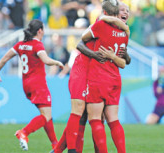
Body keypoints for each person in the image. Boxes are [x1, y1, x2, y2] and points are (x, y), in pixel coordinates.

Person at [51, 1, 130, 153]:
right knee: (81, 112)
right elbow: (80, 44)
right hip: (83, 70)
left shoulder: (120, 31)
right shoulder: (102, 23)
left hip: (98, 75)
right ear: (112, 13)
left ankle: (60, 150)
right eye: (122, 10)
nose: (125, 13)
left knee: (94, 118)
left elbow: (126, 60)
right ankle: (67, 150)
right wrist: (97, 54)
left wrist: (115, 53)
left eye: (127, 11)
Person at [0, 19, 64, 151]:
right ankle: (24, 132)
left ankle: (55, 144)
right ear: (40, 31)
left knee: (46, 115)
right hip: (38, 84)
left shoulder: (20, 45)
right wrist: (57, 63)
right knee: (46, 116)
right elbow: (46, 60)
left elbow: (5, 58)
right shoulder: (38, 45)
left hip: (26, 85)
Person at [81, 0, 129, 152]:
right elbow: (123, 62)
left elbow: (83, 38)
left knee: (95, 119)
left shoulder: (100, 25)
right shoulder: (124, 33)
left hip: (98, 77)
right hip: (115, 79)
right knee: (113, 120)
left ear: (105, 12)